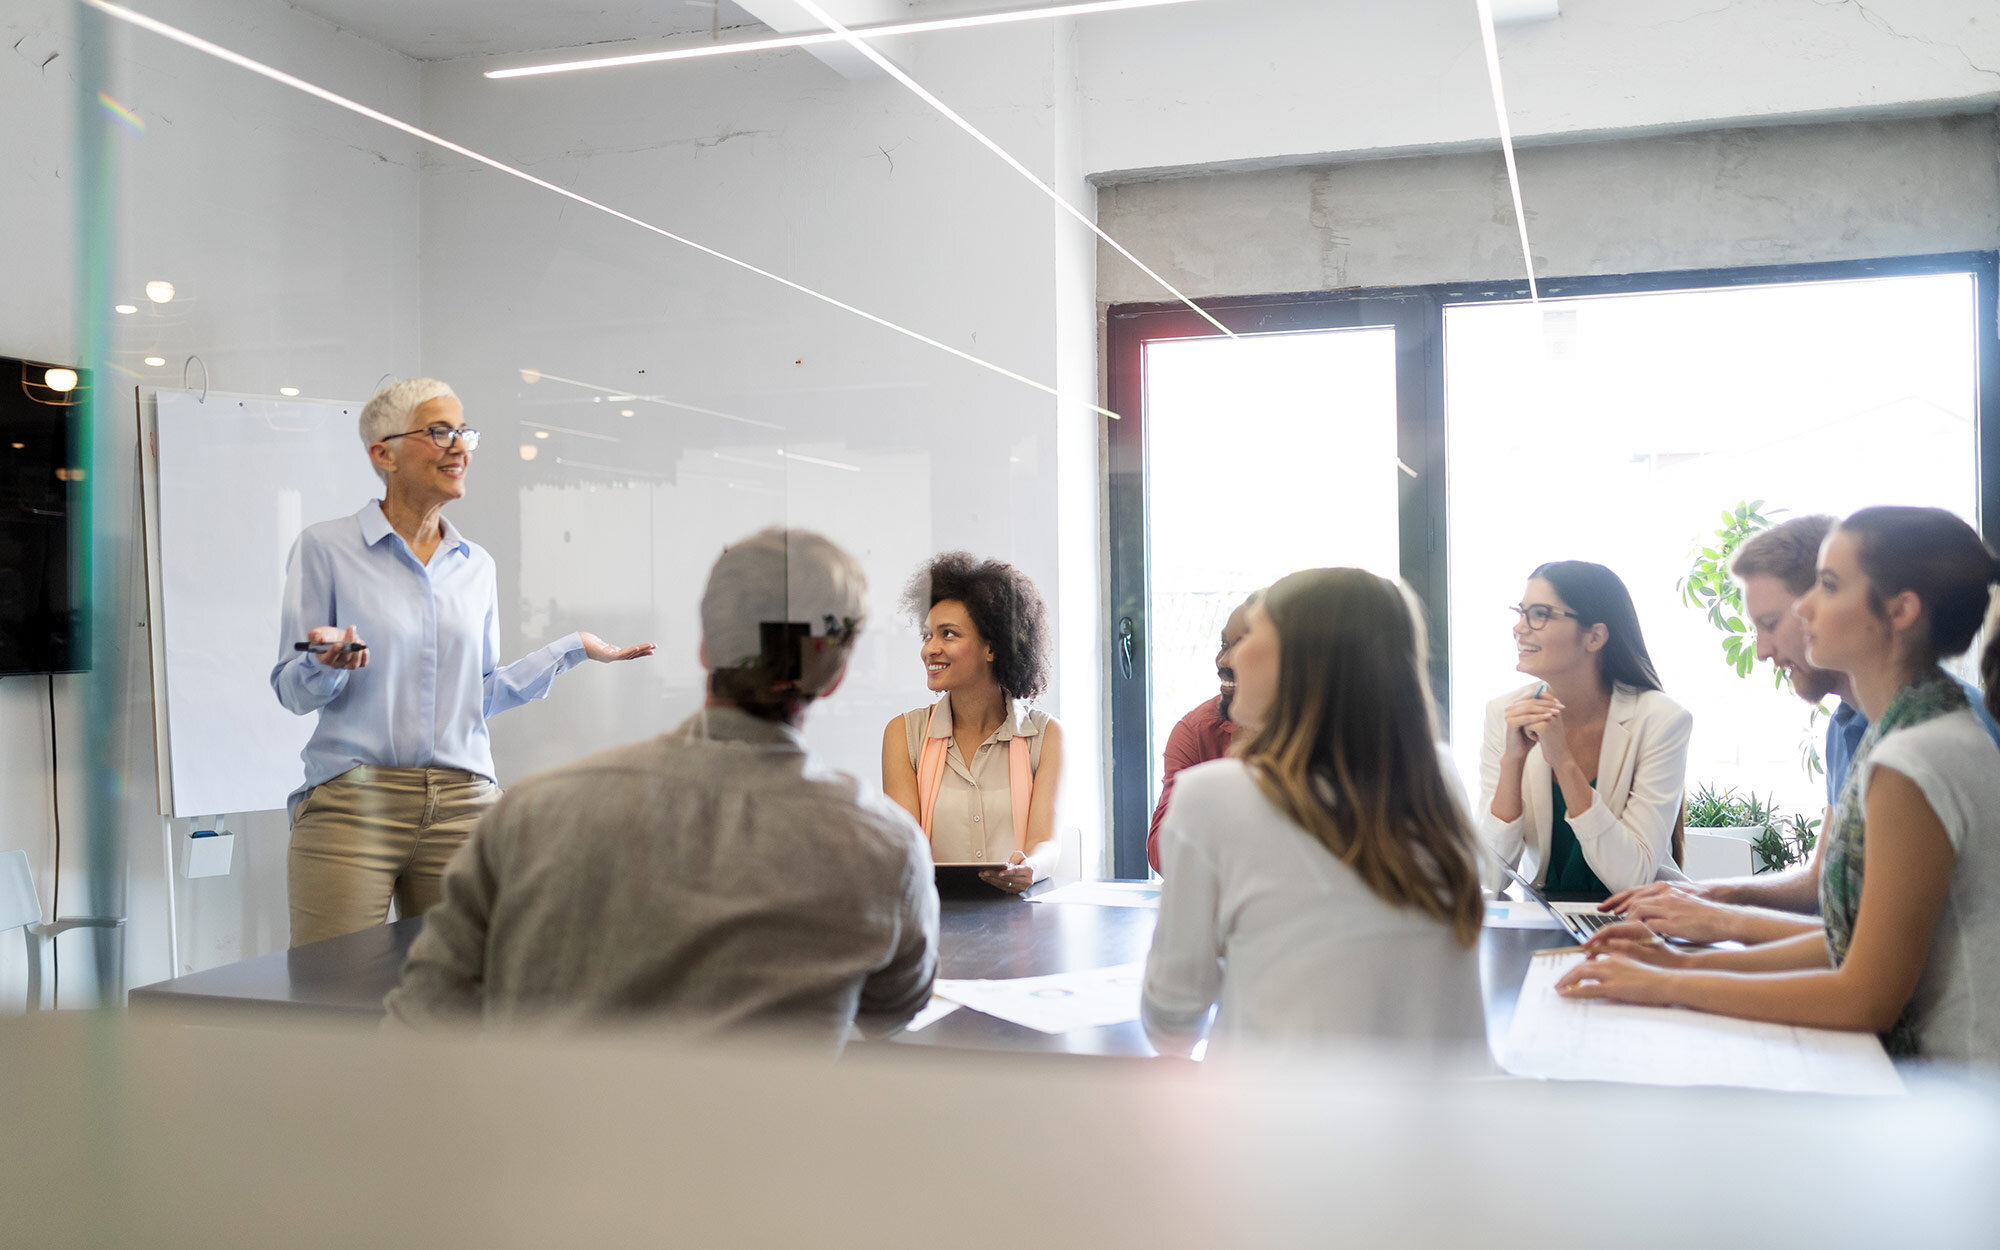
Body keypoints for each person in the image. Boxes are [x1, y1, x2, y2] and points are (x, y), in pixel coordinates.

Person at [385, 528, 938, 1047]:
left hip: (550, 1144)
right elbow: (892, 1008)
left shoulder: (528, 815)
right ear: (834, 675)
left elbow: (421, 1019)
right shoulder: (882, 848)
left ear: (704, 651)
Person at [1561, 507, 2000, 1066]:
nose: (1808, 608)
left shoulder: (1914, 757)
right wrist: (1676, 965)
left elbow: (1863, 996)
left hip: (1953, 1092)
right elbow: (1854, 942)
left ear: (1901, 610)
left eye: (1829, 585)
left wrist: (1665, 983)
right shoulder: (1913, 730)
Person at [271, 378, 654, 948]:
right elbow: (292, 691)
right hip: (354, 804)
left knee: (464, 1002)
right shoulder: (326, 548)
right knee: (334, 999)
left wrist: (570, 647)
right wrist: (328, 663)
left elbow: (478, 694)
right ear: (384, 453)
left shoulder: (477, 566)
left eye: (464, 432)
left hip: (464, 805)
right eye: (439, 432)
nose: (460, 447)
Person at [1606, 515, 2000, 944]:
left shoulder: (1936, 736)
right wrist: (1710, 894)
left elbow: (1883, 952)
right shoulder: (1847, 726)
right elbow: (1824, 883)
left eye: (1771, 622)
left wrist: (1713, 931)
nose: (1759, 650)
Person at [1141, 569, 1486, 1060]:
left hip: (1275, 1123)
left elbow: (1172, 1019)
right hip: (1439, 1126)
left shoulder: (1216, 796)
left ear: (1302, 659)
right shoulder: (1440, 777)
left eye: (1250, 634)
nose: (1231, 656)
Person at [1479, 561, 1692, 901]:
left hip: (1640, 920)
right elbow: (1490, 874)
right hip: (1547, 918)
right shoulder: (1505, 714)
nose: (1520, 627)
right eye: (1521, 613)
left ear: (1595, 636)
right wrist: (1512, 762)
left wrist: (1563, 762)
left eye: (1540, 614)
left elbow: (1631, 880)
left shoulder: (1663, 720)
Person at [882, 552, 1063, 894]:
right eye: (927, 635)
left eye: (948, 635)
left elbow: (1046, 844)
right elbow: (904, 849)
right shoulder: (902, 735)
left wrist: (1029, 869)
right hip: (935, 920)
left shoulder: (1047, 735)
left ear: (991, 648)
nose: (929, 649)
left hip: (1022, 922)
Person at [1147, 595, 1254, 875]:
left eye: (1242, 645)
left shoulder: (1327, 740)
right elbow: (1162, 852)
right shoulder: (1195, 731)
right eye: (1223, 645)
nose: (1222, 660)